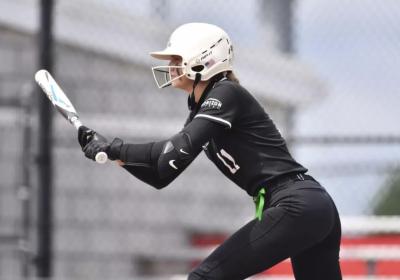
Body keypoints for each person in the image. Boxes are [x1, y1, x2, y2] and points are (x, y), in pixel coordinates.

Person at [78, 23, 342, 280]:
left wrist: (114, 147)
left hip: (297, 204)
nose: (170, 67)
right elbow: (161, 174)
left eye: (176, 59)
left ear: (201, 61)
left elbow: (172, 153)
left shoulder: (225, 93)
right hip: (311, 204)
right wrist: (116, 156)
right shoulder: (202, 109)